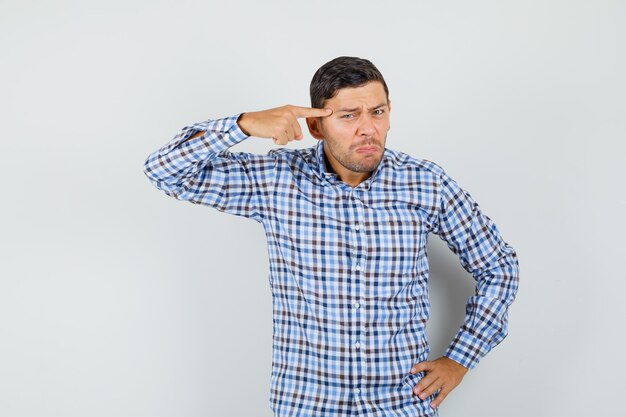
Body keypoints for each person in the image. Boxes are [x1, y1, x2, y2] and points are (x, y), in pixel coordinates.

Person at [143, 56, 519, 417]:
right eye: (348, 115)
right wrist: (241, 124)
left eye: (378, 112)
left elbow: (499, 266)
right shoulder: (277, 180)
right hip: (307, 402)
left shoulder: (424, 182)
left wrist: (459, 360)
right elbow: (164, 171)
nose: (368, 128)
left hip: (399, 404)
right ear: (316, 126)